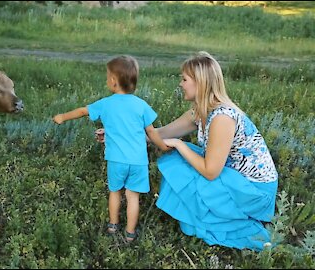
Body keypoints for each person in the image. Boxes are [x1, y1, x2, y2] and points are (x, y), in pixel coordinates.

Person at [97, 51, 278, 251]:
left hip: (252, 191)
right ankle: (208, 212)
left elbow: (210, 171)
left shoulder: (222, 118)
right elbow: (159, 134)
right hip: (230, 176)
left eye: (184, 79)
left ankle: (233, 219)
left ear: (200, 83)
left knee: (181, 158)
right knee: (178, 160)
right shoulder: (199, 111)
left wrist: (180, 144)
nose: (180, 84)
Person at [53, 55, 169, 242]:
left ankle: (113, 226)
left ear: (114, 81)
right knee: (133, 197)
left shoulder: (106, 104)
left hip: (116, 160)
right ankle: (130, 234)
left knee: (115, 192)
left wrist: (62, 117)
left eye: (108, 76)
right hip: (138, 161)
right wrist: (163, 147)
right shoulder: (141, 105)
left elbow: (83, 111)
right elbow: (152, 131)